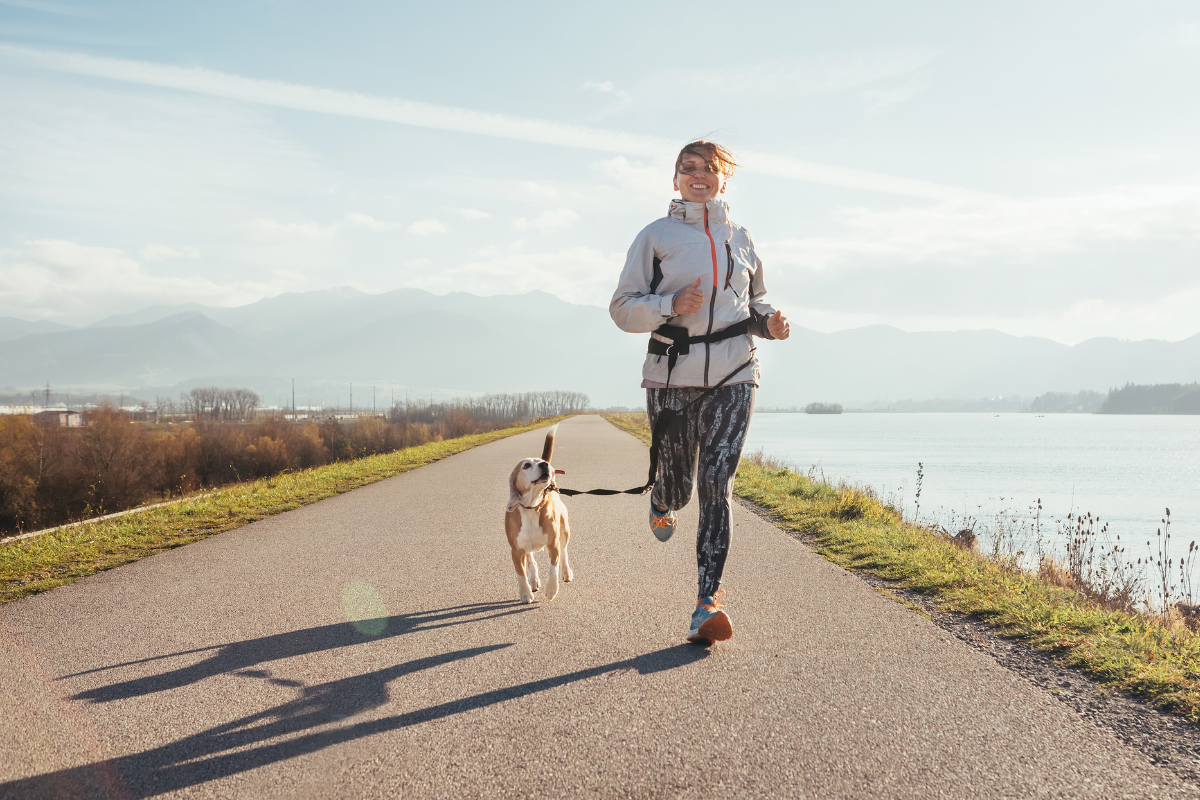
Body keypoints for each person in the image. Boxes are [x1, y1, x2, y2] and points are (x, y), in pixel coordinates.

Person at [610, 140, 790, 644]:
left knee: (717, 481)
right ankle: (662, 499)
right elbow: (623, 308)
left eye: (709, 169)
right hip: (672, 374)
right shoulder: (656, 236)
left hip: (736, 373)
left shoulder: (744, 238)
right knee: (680, 488)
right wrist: (670, 302)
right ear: (675, 179)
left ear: (722, 180)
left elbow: (755, 301)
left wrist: (769, 324)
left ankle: (706, 602)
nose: (698, 176)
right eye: (687, 169)